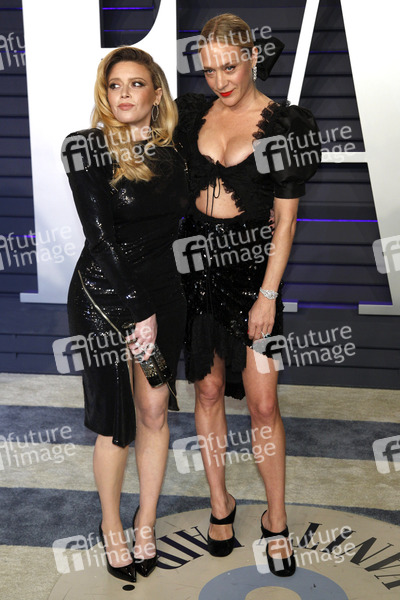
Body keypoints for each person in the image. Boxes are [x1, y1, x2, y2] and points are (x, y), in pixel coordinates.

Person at [175, 13, 320, 576]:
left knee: (263, 404)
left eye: (229, 67)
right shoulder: (192, 115)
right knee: (208, 392)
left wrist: (268, 295)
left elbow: (286, 224)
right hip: (195, 270)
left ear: (253, 56)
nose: (219, 80)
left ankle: (276, 519)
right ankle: (220, 505)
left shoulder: (284, 123)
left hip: (253, 276)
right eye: (209, 70)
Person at [62, 46, 187, 582]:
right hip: (104, 298)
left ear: (156, 92)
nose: (124, 94)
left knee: (154, 411)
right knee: (116, 424)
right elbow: (100, 238)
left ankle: (145, 523)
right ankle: (111, 526)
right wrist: (138, 309)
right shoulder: (85, 148)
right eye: (115, 85)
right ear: (104, 94)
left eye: (136, 84)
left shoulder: (174, 153)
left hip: (163, 294)